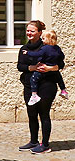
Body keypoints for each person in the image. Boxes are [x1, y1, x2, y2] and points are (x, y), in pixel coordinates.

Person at [18, 20, 64, 154]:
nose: (29, 33)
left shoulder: (50, 47)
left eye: (32, 31)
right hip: (29, 86)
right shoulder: (24, 49)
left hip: (46, 85)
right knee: (31, 114)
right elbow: (20, 66)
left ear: (39, 33)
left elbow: (61, 64)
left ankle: (45, 144)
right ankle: (33, 141)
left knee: (44, 114)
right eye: (28, 31)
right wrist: (31, 67)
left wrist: (51, 68)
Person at [24, 29, 67, 105]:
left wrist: (28, 53)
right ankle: (63, 90)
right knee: (59, 79)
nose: (42, 41)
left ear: (48, 39)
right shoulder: (57, 48)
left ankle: (34, 95)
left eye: (43, 39)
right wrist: (55, 63)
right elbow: (62, 57)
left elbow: (37, 54)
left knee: (33, 79)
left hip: (43, 68)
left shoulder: (45, 48)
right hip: (54, 70)